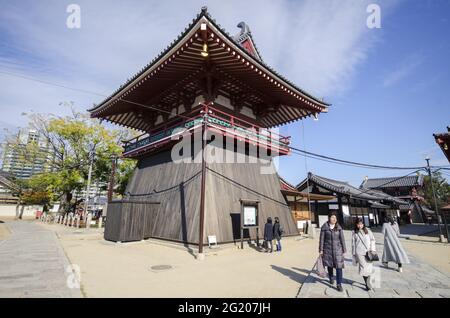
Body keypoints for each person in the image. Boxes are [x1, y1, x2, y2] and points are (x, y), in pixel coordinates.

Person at [319, 212, 347, 292]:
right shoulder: (324, 227)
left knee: (339, 267)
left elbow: (342, 239)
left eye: (335, 217)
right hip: (327, 250)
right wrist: (321, 249)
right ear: (329, 218)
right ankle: (331, 276)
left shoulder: (339, 228)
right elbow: (321, 240)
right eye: (332, 217)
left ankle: (339, 284)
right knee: (329, 265)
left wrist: (344, 250)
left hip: (338, 250)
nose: (334, 219)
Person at [352, 218, 376, 291]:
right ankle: (367, 284)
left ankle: (369, 281)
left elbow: (372, 240)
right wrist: (354, 254)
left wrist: (372, 249)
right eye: (358, 224)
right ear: (356, 224)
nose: (360, 226)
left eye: (361, 224)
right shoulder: (354, 232)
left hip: (368, 252)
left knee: (369, 268)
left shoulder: (368, 231)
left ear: (363, 224)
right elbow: (353, 244)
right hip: (359, 252)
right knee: (363, 268)